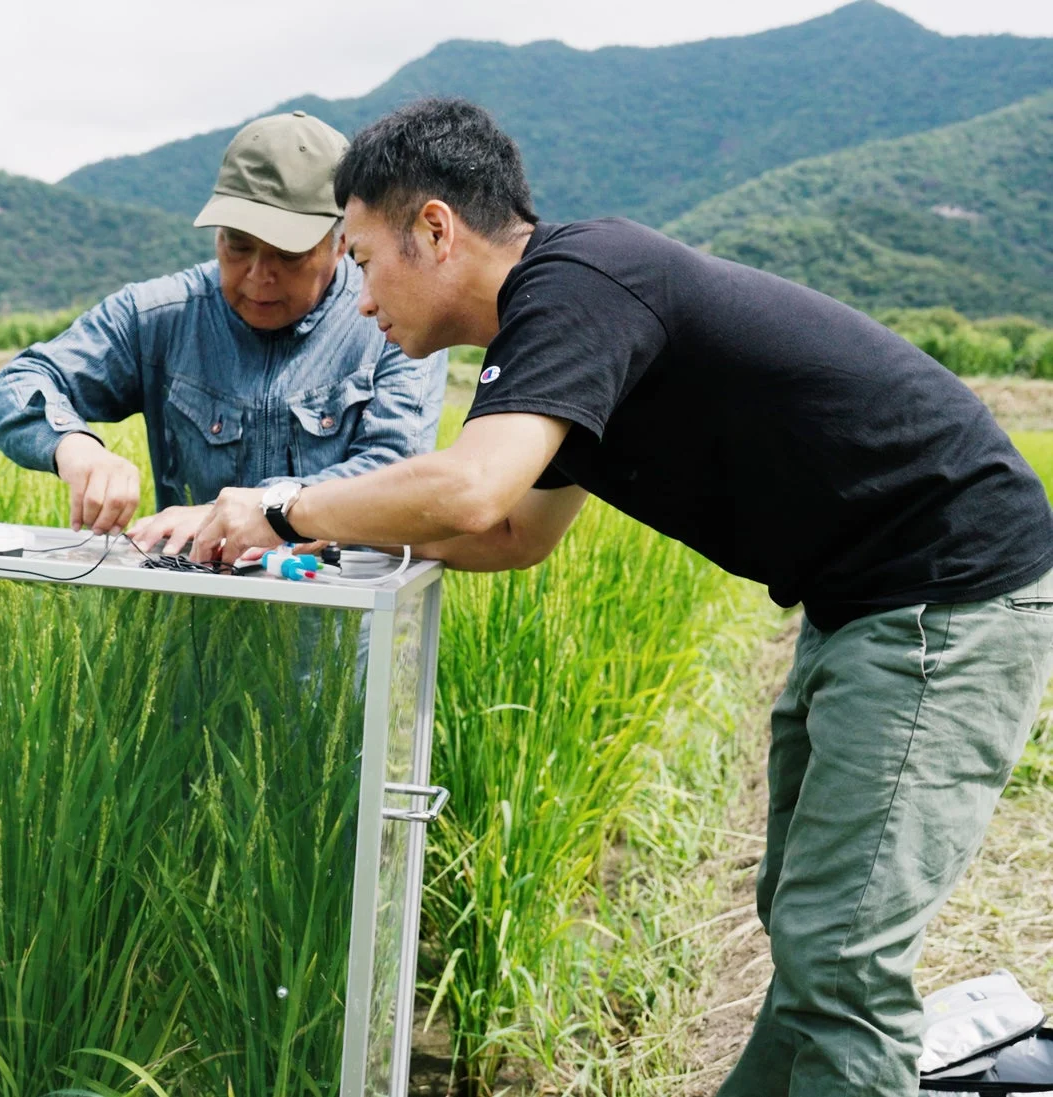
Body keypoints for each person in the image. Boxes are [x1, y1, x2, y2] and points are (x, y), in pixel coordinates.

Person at [178, 97, 1053, 1095]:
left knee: (841, 956)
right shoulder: (562, 325)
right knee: (807, 922)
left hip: (943, 594)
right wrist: (304, 547)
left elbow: (471, 487)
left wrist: (283, 507)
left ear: (434, 227)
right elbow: (509, 535)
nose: (363, 301)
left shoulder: (578, 284)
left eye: (365, 260)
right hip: (866, 601)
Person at [0, 111, 447, 538]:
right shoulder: (161, 316)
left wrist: (255, 511)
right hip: (191, 622)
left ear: (340, 241)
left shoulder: (394, 326)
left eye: (288, 255)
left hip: (335, 624)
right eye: (238, 246)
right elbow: (16, 384)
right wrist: (75, 447)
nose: (259, 276)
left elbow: (393, 472)